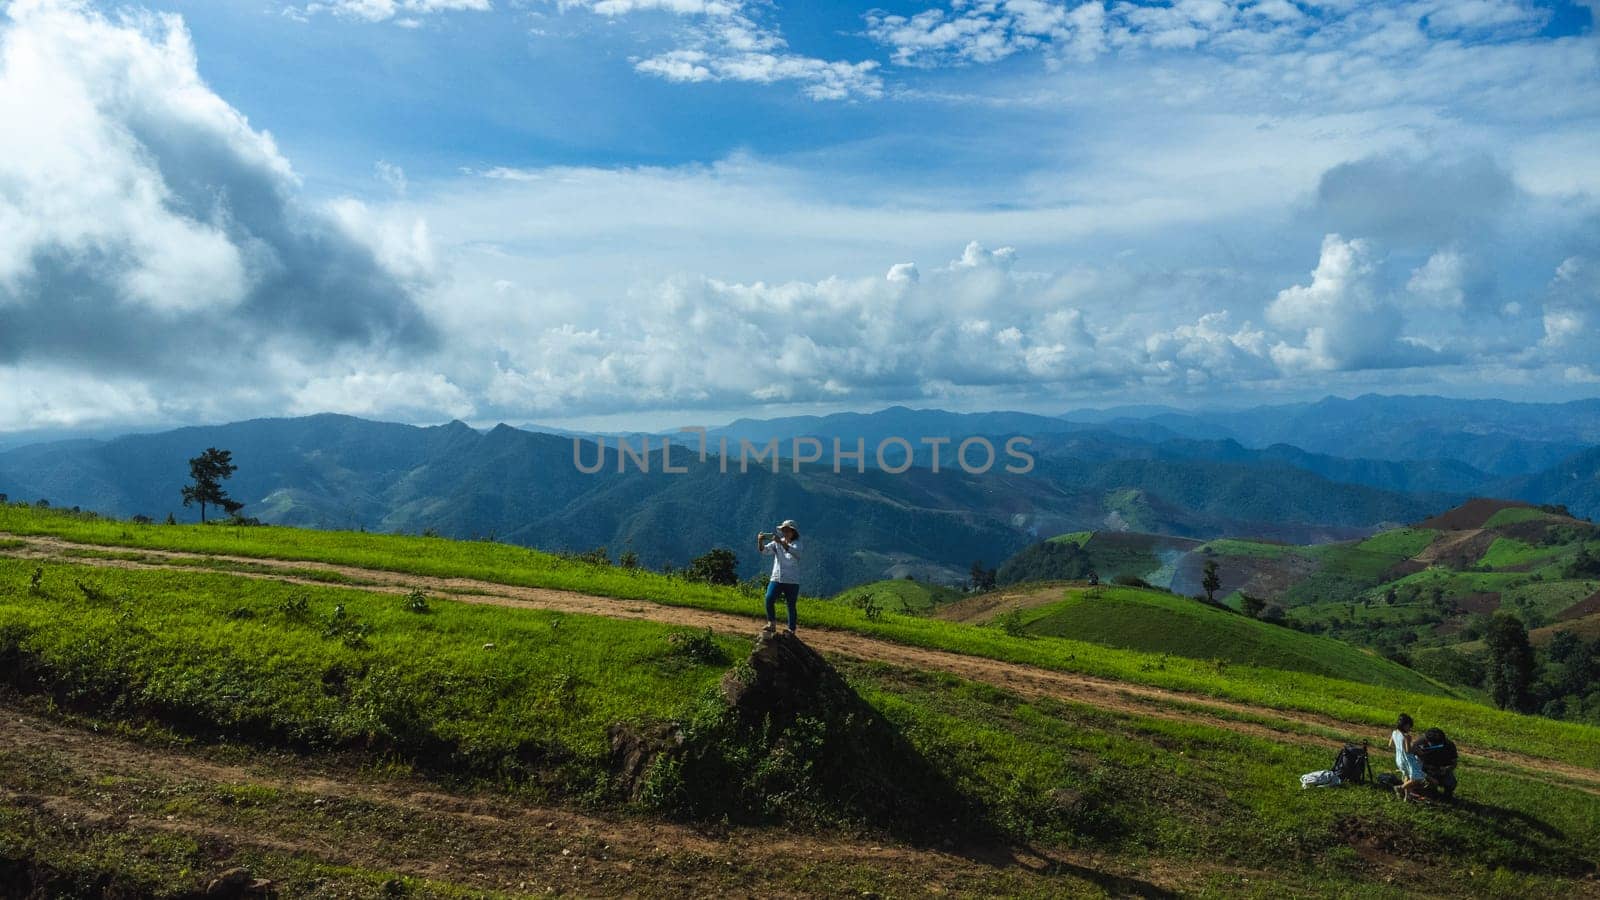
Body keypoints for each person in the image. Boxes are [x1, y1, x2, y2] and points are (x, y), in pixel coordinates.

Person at [757, 520, 803, 634]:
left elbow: (795, 553)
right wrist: (760, 541)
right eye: (784, 530)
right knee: (769, 598)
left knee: (791, 605)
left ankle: (791, 629)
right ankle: (771, 623)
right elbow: (764, 551)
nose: (785, 532)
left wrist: (781, 543)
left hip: (791, 580)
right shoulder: (777, 542)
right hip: (777, 577)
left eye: (787, 530)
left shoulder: (797, 544)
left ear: (793, 532)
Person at [1389, 713, 1427, 802]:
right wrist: (1413, 746)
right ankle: (1400, 788)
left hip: (1399, 759)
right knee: (1418, 778)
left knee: (1407, 777)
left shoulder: (1394, 733)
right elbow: (1408, 750)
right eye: (1409, 726)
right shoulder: (1407, 736)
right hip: (1408, 760)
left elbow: (1390, 745)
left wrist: (1400, 747)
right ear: (1405, 725)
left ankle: (1407, 797)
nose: (1410, 729)